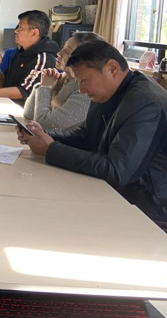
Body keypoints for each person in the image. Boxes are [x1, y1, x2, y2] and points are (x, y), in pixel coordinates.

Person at [17, 40, 167, 230]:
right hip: (118, 193)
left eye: (83, 80)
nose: (81, 89)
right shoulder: (109, 91)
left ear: (112, 68)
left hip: (150, 208)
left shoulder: (146, 103)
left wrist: (50, 149)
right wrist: (44, 136)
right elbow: (86, 137)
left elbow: (117, 171)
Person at [0, 10, 58, 104]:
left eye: (20, 27)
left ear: (34, 32)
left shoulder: (42, 58)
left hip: (21, 109)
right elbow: (4, 83)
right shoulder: (22, 53)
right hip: (7, 103)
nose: (16, 31)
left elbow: (23, 91)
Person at [23, 32, 103, 132]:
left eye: (67, 52)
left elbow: (44, 125)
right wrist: (42, 85)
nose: (59, 53)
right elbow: (29, 114)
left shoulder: (85, 92)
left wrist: (45, 89)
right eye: (63, 48)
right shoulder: (64, 78)